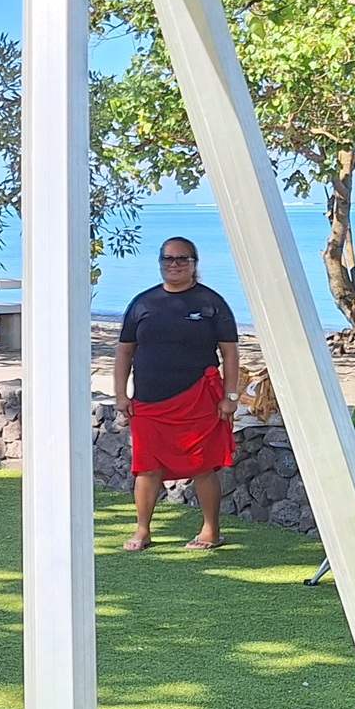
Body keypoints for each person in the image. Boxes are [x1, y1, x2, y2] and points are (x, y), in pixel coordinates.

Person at [113, 236, 243, 552]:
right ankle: (142, 531)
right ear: (160, 262)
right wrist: (121, 394)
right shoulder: (142, 303)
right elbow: (124, 352)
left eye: (182, 259)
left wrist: (231, 397)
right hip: (148, 401)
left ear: (194, 264)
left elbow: (230, 355)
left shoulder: (211, 303)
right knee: (147, 468)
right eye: (168, 259)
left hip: (198, 400)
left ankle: (211, 530)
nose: (174, 264)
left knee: (202, 466)